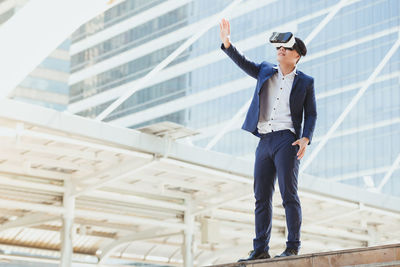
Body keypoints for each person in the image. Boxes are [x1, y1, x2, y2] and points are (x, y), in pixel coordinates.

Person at [219, 18, 317, 261]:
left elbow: (311, 112)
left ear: (297, 56)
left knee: (288, 195)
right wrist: (227, 44)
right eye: (278, 49)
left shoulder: (306, 82)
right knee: (261, 197)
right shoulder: (264, 70)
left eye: (286, 49)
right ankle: (260, 248)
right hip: (264, 141)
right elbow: (243, 63)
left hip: (287, 141)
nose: (280, 51)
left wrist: (306, 138)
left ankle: (292, 246)